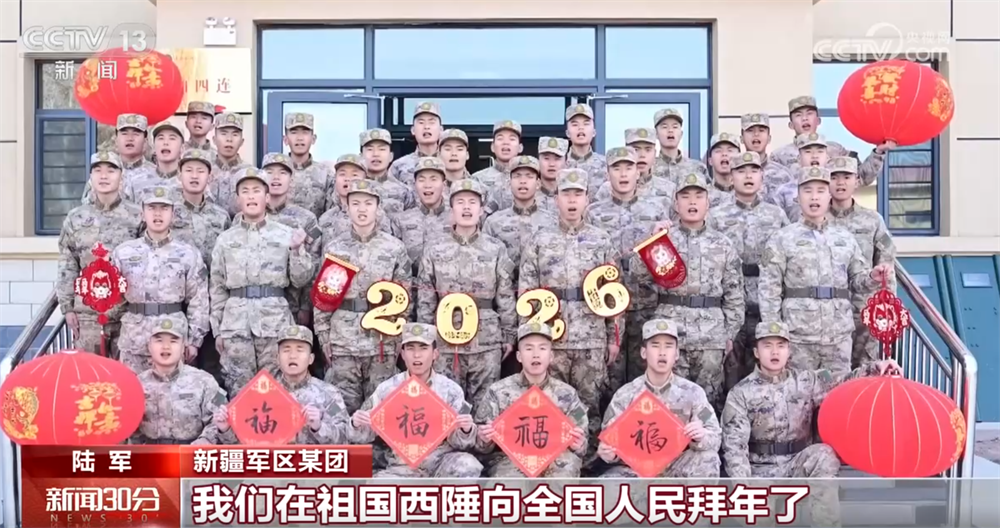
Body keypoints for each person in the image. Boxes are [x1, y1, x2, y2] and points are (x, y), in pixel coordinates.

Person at [722, 321, 901, 527]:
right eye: (767, 346)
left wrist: (875, 368)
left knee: (823, 454)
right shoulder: (741, 393)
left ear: (789, 351)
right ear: (756, 352)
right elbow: (734, 448)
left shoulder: (806, 381)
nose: (775, 352)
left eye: (781, 345)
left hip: (797, 463)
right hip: (760, 470)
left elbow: (842, 386)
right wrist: (744, 488)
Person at [519, 168, 621, 458]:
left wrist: (614, 337)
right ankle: (554, 458)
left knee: (590, 402)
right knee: (551, 402)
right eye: (566, 194)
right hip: (552, 338)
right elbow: (527, 293)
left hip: (591, 336)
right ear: (556, 199)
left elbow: (614, 294)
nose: (572, 200)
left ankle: (587, 462)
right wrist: (531, 340)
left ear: (587, 199)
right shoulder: (539, 240)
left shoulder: (602, 240)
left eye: (578, 194)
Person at [759, 166, 893, 375]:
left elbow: (857, 281)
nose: (814, 197)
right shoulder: (782, 238)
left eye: (820, 191)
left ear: (829, 195)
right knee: (799, 392)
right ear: (798, 197)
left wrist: (872, 277)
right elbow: (769, 289)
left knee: (840, 391)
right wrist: (774, 334)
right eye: (808, 191)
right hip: (798, 335)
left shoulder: (845, 238)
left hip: (838, 336)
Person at [630, 172, 745, 415]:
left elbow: (734, 295)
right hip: (671, 332)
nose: (692, 202)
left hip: (711, 335)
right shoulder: (664, 240)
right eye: (685, 196)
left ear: (708, 202)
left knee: (708, 403)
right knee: (668, 403)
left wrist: (728, 335)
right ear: (676, 203)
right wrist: (652, 241)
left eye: (698, 196)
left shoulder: (723, 244)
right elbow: (638, 275)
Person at [209, 167, 313, 397]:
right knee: (239, 389)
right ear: (238, 199)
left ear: (267, 197)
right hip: (235, 326)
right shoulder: (225, 239)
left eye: (256, 191)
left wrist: (297, 251)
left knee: (276, 390)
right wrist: (218, 330)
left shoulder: (286, 234)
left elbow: (301, 280)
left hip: (274, 323)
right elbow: (217, 287)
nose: (251, 196)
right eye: (245, 191)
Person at [417, 179, 517, 410]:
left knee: (485, 407)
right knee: (445, 406)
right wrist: (427, 339)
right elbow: (425, 299)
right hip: (445, 341)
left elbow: (504, 296)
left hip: (486, 340)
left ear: (481, 210)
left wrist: (509, 335)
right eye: (460, 202)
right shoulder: (435, 249)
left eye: (472, 202)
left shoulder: (495, 248)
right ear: (451, 209)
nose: (466, 207)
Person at [314, 179, 411, 414]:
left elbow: (405, 300)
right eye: (355, 203)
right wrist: (324, 337)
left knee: (382, 407)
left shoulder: (394, 248)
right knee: (344, 407)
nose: (362, 209)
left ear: (378, 207)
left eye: (368, 203)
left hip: (382, 340)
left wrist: (398, 339)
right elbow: (324, 300)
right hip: (343, 338)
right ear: (347, 207)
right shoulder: (336, 249)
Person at [349, 322, 482, 478]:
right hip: (402, 466)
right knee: (378, 486)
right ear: (403, 354)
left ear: (435, 354)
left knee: (468, 465)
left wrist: (465, 430)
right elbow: (362, 435)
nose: (416, 355)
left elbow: (461, 443)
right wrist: (356, 424)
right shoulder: (388, 389)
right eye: (410, 349)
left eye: (423, 348)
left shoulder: (451, 390)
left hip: (441, 462)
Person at [586, 146, 669, 392]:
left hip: (647, 304)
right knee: (608, 380)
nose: (623, 174)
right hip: (608, 308)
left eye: (628, 167)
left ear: (638, 172)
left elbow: (665, 259)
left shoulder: (656, 209)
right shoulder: (594, 213)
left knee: (645, 379)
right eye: (616, 168)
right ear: (607, 173)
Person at [599, 319, 722, 478]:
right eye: (655, 345)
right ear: (644, 353)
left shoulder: (693, 393)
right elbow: (609, 440)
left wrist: (701, 436)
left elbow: (715, 435)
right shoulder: (625, 394)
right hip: (637, 470)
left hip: (678, 467)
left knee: (708, 459)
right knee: (606, 485)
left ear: (676, 354)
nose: (662, 352)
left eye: (669, 346)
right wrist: (609, 453)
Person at [708, 152, 790, 391]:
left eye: (753, 171)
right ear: (731, 177)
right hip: (730, 305)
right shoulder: (716, 216)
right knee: (729, 372)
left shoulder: (776, 215)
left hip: (765, 306)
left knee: (765, 373)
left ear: (762, 176)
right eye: (741, 171)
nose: (748, 176)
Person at [113, 185, 209, 374]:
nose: (157, 214)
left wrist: (194, 340)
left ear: (173, 214)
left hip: (172, 338)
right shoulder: (123, 253)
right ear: (142, 213)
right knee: (133, 389)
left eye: (164, 208)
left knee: (171, 389)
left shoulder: (188, 254)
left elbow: (198, 299)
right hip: (134, 338)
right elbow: (115, 299)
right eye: (152, 208)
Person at [474, 322, 588, 478]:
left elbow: (582, 441)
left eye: (542, 348)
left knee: (566, 468)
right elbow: (481, 446)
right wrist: (485, 439)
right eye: (528, 348)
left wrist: (579, 445)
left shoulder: (567, 394)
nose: (536, 354)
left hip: (555, 459)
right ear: (519, 357)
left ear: (551, 356)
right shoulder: (498, 391)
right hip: (511, 459)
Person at [58, 152, 142, 356]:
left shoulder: (137, 216)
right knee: (90, 373)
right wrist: (67, 307)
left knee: (127, 372)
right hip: (88, 315)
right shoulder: (76, 218)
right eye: (98, 170)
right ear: (90, 177)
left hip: (128, 313)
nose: (104, 176)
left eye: (111, 170)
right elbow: (68, 264)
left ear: (121, 176)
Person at [216, 325, 351, 445]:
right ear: (277, 358)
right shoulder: (260, 392)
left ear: (310, 359)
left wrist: (319, 427)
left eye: (300, 350)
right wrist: (225, 429)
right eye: (286, 350)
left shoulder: (328, 394)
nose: (292, 356)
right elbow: (241, 442)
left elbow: (346, 438)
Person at [826, 156, 897, 368]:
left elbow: (886, 261)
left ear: (857, 181)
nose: (840, 182)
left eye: (846, 177)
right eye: (834, 177)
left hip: (864, 307)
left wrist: (888, 304)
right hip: (828, 310)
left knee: (866, 367)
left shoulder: (872, 220)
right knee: (833, 371)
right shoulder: (818, 219)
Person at [239, 152, 325, 328]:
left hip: (291, 309)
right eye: (270, 172)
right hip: (249, 311)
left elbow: (314, 266)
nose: (276, 177)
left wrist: (306, 307)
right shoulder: (244, 217)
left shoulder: (306, 219)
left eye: (283, 173)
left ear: (291, 179)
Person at [130, 314, 226, 445]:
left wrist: (206, 439)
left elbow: (222, 421)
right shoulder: (135, 385)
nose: (166, 346)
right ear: (149, 346)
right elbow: (122, 425)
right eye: (159, 340)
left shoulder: (205, 381)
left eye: (173, 341)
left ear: (183, 347)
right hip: (149, 453)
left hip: (191, 453)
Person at [770, 95, 891, 186]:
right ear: (791, 125)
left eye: (809, 113)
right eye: (798, 115)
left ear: (818, 121)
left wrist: (878, 153)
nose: (805, 118)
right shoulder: (779, 156)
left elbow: (862, 177)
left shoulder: (836, 150)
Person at [482, 155, 555, 280]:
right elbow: (486, 263)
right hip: (505, 288)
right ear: (509, 183)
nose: (523, 181)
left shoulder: (552, 222)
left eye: (529, 176)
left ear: (538, 184)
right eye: (517, 176)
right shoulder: (493, 223)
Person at [396, 157, 453, 289]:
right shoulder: (402, 220)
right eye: (421, 180)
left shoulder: (455, 218)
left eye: (433, 179)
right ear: (414, 184)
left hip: (445, 291)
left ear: (444, 184)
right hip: (409, 290)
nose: (427, 185)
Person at [318, 154, 397, 248]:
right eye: (342, 174)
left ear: (365, 179)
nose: (348, 179)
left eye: (354, 175)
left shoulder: (378, 215)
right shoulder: (325, 218)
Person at [173, 148, 232, 269]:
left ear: (209, 177)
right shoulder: (168, 213)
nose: (194, 176)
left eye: (200, 171)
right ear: (179, 175)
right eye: (189, 170)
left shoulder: (221, 216)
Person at [80, 114, 156, 204]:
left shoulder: (156, 174)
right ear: (116, 140)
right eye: (124, 134)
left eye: (136, 134)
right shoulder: (102, 175)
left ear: (145, 142)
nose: (130, 138)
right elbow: (86, 206)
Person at [593, 128, 676, 203]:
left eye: (648, 150)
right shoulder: (607, 189)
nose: (642, 155)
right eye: (636, 149)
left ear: (654, 153)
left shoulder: (668, 188)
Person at [770, 132, 832, 222]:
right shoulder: (783, 191)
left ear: (827, 157)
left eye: (820, 151)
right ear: (799, 158)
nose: (814, 156)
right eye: (808, 152)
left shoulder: (835, 189)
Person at [282, 112, 333, 218]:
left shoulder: (326, 175)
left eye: (305, 132)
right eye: (294, 132)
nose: (299, 138)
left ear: (313, 139)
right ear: (285, 139)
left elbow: (331, 214)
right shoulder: (276, 173)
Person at [123, 121, 186, 204]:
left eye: (172, 138)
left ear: (182, 148)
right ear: (154, 147)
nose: (165, 143)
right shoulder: (136, 182)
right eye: (161, 138)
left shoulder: (190, 182)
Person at [739, 113, 793, 203]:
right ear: (741, 139)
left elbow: (791, 207)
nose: (756, 134)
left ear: (769, 138)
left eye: (761, 130)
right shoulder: (735, 174)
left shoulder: (783, 174)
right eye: (750, 130)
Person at [360, 128, 414, 216]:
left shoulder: (404, 191)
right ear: (361, 156)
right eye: (370, 149)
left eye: (382, 149)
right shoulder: (352, 189)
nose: (376, 154)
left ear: (391, 156)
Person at [209, 112, 253, 216]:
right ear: (214, 140)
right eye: (223, 134)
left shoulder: (249, 173)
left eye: (235, 134)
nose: (229, 139)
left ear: (242, 141)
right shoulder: (204, 171)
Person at [388, 101, 443, 186]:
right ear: (413, 130)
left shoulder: (451, 162)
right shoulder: (399, 166)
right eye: (421, 122)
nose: (426, 127)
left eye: (431, 122)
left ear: (441, 130)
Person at [651, 108, 708, 186]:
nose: (670, 130)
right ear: (656, 134)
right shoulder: (649, 168)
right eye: (664, 127)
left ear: (681, 134)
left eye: (675, 127)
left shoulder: (698, 168)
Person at [563, 104, 607, 197]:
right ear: (567, 133)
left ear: (594, 132)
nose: (580, 128)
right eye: (575, 124)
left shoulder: (607, 166)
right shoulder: (560, 165)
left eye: (586, 124)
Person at [472, 120, 523, 198]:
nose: (506, 142)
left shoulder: (528, 179)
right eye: (500, 138)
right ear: (492, 147)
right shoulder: (477, 179)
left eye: (512, 139)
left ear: (520, 147)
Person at [703, 132, 740, 208]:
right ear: (710, 161)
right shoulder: (703, 195)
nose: (724, 154)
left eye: (730, 150)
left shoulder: (748, 194)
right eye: (718, 151)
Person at [536, 136, 569, 211]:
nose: (551, 164)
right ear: (538, 161)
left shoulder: (571, 199)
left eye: (557, 159)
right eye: (546, 158)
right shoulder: (529, 197)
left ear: (566, 163)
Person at [439, 129, 474, 196]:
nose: (454, 153)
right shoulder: (430, 188)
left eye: (459, 149)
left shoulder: (479, 187)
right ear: (439, 155)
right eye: (448, 149)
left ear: (467, 155)